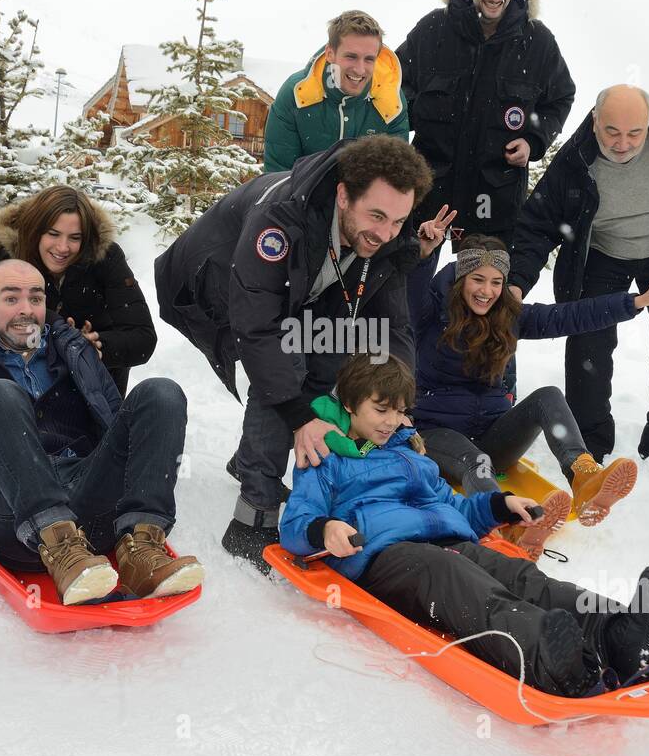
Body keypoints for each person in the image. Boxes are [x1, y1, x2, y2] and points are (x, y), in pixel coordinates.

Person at [280, 352, 649, 698]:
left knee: (519, 576)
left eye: (399, 411)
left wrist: (500, 505)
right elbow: (295, 524)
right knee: (462, 584)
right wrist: (325, 529)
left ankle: (619, 635)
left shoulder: (409, 453)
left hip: (446, 540)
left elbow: (454, 506)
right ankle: (554, 663)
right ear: (350, 403)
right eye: (380, 410)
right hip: (385, 556)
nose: (391, 421)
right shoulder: (324, 456)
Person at [154, 136, 453, 569]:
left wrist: (400, 406)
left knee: (329, 358)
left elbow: (393, 325)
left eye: (397, 221)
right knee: (284, 368)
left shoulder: (384, 230)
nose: (387, 233)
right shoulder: (279, 220)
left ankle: (250, 459)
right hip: (209, 283)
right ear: (343, 195)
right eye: (377, 216)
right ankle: (252, 518)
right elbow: (258, 330)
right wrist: (298, 415)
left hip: (305, 285)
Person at [0, 259, 203, 605]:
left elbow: (114, 422)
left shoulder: (71, 350)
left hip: (88, 508)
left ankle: (141, 549)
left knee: (161, 392)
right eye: (11, 299)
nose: (26, 310)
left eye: (35, 299)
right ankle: (59, 548)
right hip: (11, 519)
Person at [508, 86, 649, 491]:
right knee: (587, 346)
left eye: (634, 133)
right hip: (602, 252)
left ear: (648, 125)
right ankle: (587, 448)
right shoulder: (576, 157)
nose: (622, 143)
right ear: (595, 121)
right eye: (611, 131)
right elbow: (538, 223)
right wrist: (517, 282)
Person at [408, 232, 649, 557]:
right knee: (476, 462)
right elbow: (410, 292)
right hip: (436, 435)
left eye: (496, 282)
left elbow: (570, 316)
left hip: (492, 436)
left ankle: (584, 478)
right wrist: (424, 255)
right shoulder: (429, 312)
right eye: (477, 279)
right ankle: (508, 525)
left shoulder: (508, 318)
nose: (487, 291)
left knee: (548, 396)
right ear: (459, 279)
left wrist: (638, 301)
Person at [396, 0, 575, 249]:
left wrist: (534, 140)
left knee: (481, 290)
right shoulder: (432, 30)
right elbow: (394, 88)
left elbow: (560, 98)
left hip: (495, 199)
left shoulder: (538, 42)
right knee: (409, 284)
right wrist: (413, 123)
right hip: (427, 189)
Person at [0, 184, 157, 396]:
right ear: (35, 231)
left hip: (96, 393)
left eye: (74, 238)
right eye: (53, 234)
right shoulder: (6, 256)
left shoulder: (105, 257)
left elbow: (142, 337)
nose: (62, 247)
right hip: (20, 390)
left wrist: (94, 346)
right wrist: (53, 337)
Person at [263, 10, 410, 174]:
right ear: (330, 54)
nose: (360, 69)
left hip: (365, 198)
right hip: (302, 197)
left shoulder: (391, 102)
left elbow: (395, 180)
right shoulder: (296, 95)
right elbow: (278, 176)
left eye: (369, 59)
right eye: (351, 57)